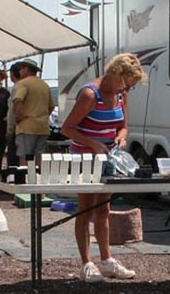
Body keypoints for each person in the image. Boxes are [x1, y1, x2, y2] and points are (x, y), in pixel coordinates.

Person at [60, 53, 147, 282]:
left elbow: (123, 126)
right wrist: (92, 143)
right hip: (85, 158)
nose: (127, 88)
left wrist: (121, 137)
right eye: (127, 83)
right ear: (116, 74)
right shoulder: (90, 94)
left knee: (103, 210)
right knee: (85, 210)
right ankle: (86, 263)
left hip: (107, 159)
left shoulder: (121, 94)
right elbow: (67, 128)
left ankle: (107, 261)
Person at [12, 60, 53, 166]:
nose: (19, 71)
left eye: (21, 69)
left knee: (25, 156)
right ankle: (40, 175)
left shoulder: (23, 83)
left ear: (26, 69)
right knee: (40, 156)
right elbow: (51, 106)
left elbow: (18, 100)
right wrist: (42, 116)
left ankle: (25, 175)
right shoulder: (44, 85)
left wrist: (18, 117)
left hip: (27, 126)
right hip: (43, 127)